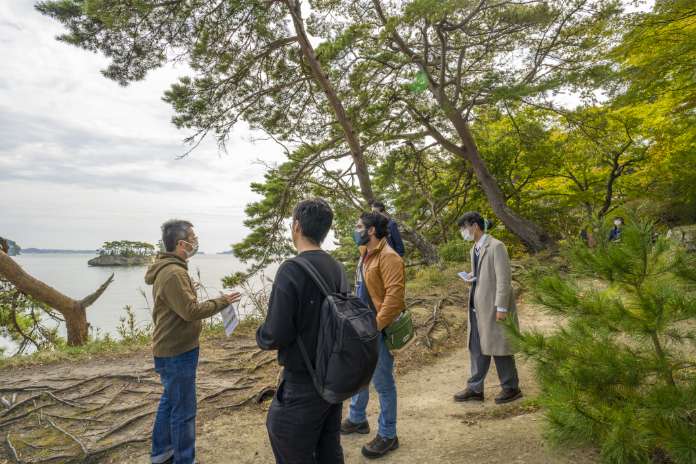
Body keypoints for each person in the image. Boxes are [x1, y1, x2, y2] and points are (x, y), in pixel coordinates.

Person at [257, 198, 347, 464]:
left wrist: (260, 335)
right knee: (328, 447)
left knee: (286, 441)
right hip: (332, 376)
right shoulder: (337, 267)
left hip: (303, 380)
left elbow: (275, 333)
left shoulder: (292, 269)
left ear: (296, 226)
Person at [145, 219, 241, 464]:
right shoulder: (174, 273)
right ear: (181, 244)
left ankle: (161, 453)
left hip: (171, 349)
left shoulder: (169, 269)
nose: (196, 242)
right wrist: (223, 301)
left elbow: (180, 307)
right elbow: (190, 311)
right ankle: (184, 459)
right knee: (184, 411)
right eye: (193, 238)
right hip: (177, 352)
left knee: (170, 401)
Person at [341, 212, 405, 459]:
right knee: (360, 375)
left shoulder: (390, 258)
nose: (355, 229)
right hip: (362, 327)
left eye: (358, 226)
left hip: (376, 330)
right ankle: (358, 419)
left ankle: (389, 435)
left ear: (370, 231)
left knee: (383, 383)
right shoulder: (365, 253)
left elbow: (394, 299)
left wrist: (375, 326)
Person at [453, 212, 523, 405]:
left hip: (494, 306)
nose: (463, 232)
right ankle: (475, 388)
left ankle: (511, 388)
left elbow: (503, 279)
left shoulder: (496, 246)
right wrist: (471, 278)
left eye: (463, 228)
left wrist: (502, 307)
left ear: (474, 226)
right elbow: (483, 274)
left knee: (500, 346)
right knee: (476, 347)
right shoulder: (474, 249)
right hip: (477, 306)